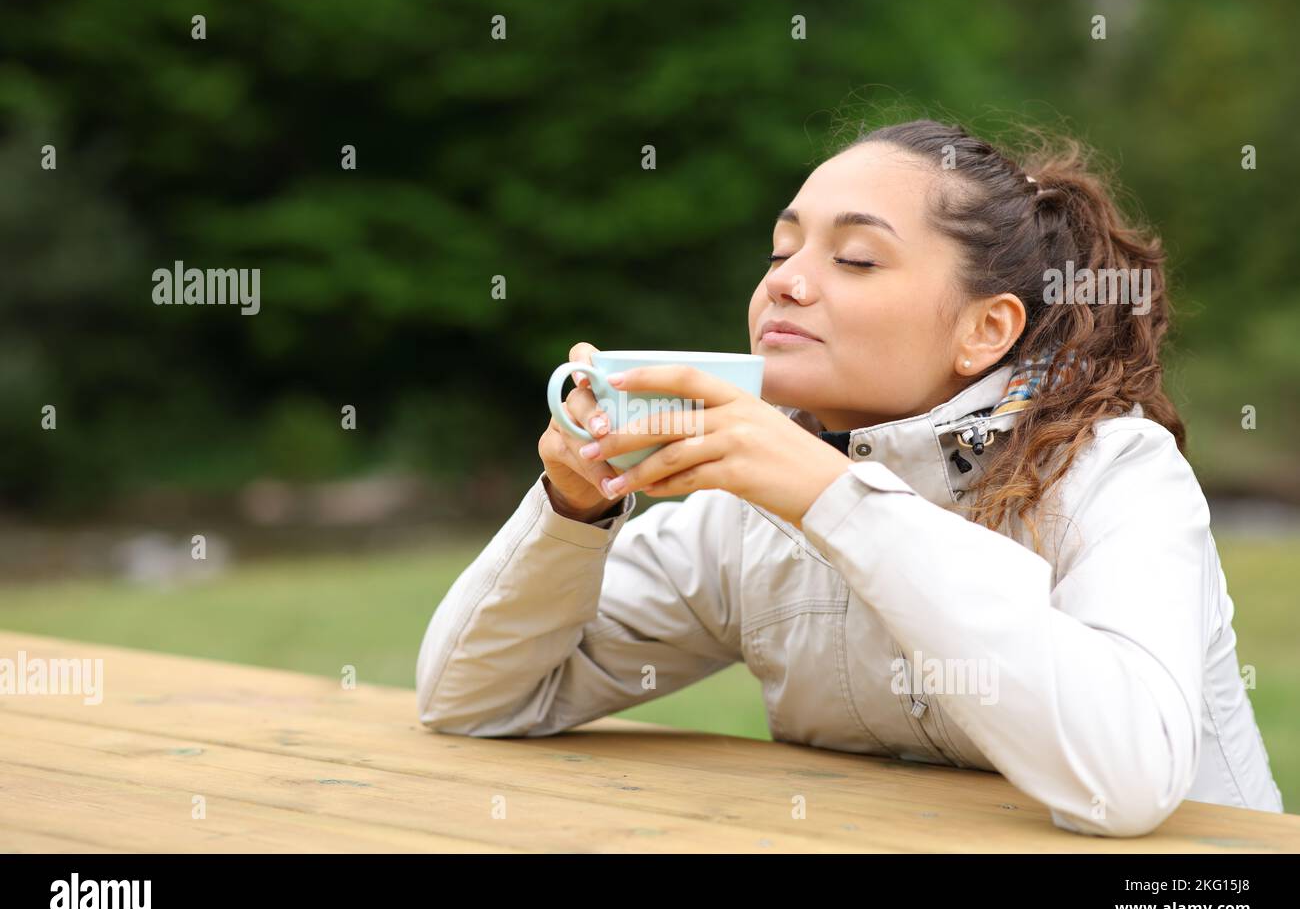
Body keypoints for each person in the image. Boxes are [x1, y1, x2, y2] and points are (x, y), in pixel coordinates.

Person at [416, 117, 1284, 837]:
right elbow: (473, 697)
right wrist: (572, 510)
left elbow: (1125, 780)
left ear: (985, 331)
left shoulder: (1113, 472)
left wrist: (834, 501)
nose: (786, 284)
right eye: (779, 250)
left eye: (855, 259)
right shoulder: (749, 503)